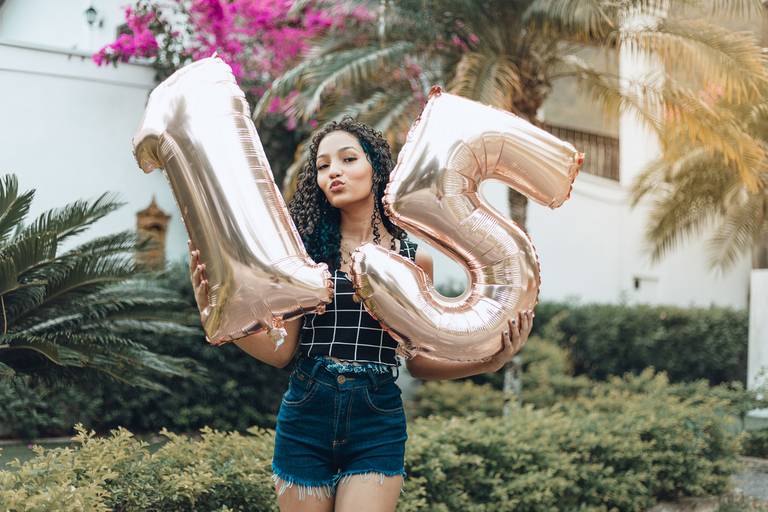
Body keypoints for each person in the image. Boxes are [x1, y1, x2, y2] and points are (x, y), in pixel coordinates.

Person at [188, 117, 534, 512]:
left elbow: (418, 363)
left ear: (375, 168)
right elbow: (282, 352)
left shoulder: (412, 258)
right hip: (306, 412)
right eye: (322, 165)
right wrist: (214, 314)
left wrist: (493, 360)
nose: (333, 171)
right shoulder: (303, 256)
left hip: (376, 419)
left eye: (348, 159)